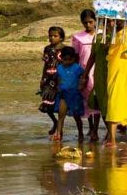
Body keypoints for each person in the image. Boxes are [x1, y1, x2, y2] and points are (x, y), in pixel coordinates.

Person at [72, 9, 101, 141]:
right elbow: (76, 56)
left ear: (95, 21)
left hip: (98, 70)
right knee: (86, 100)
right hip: (84, 70)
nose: (88, 25)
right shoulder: (78, 37)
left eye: (90, 22)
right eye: (85, 23)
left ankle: (95, 129)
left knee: (96, 100)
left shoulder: (102, 34)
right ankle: (90, 127)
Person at [52, 46, 85, 142]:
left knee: (77, 117)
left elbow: (83, 78)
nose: (67, 62)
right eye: (64, 59)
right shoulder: (59, 68)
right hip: (63, 95)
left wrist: (80, 86)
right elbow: (58, 80)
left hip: (74, 95)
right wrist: (58, 88)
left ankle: (80, 133)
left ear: (73, 59)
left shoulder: (77, 68)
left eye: (69, 60)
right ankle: (58, 135)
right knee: (61, 116)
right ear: (61, 58)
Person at [38, 26, 65, 136]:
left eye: (55, 36)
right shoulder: (47, 49)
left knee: (59, 105)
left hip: (60, 79)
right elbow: (46, 64)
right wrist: (42, 78)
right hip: (49, 79)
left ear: (61, 37)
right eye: (50, 36)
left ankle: (59, 129)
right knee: (47, 104)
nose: (52, 38)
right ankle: (55, 122)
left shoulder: (64, 49)